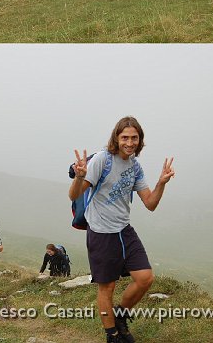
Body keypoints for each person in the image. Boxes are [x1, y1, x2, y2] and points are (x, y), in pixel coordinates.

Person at [68, 116, 176, 343]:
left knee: (145, 278)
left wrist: (161, 183)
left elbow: (150, 204)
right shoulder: (101, 160)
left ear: (140, 140)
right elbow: (74, 195)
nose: (129, 142)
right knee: (107, 287)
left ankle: (120, 316)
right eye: (125, 137)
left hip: (124, 230)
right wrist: (79, 177)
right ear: (116, 138)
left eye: (134, 138)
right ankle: (113, 335)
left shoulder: (135, 166)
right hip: (101, 232)